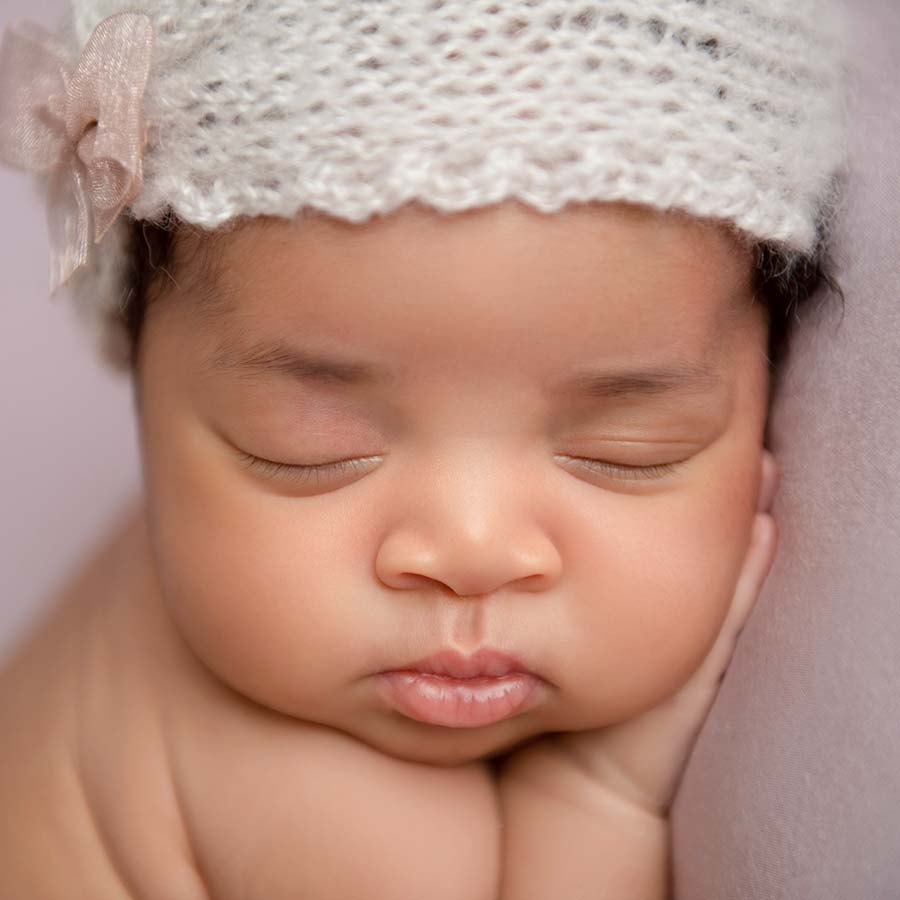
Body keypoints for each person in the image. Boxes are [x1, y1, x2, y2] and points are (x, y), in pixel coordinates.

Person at [0, 1, 848, 897]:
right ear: (141, 387)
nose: (470, 553)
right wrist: (598, 800)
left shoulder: (211, 585)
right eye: (308, 451)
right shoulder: (333, 813)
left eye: (626, 449)